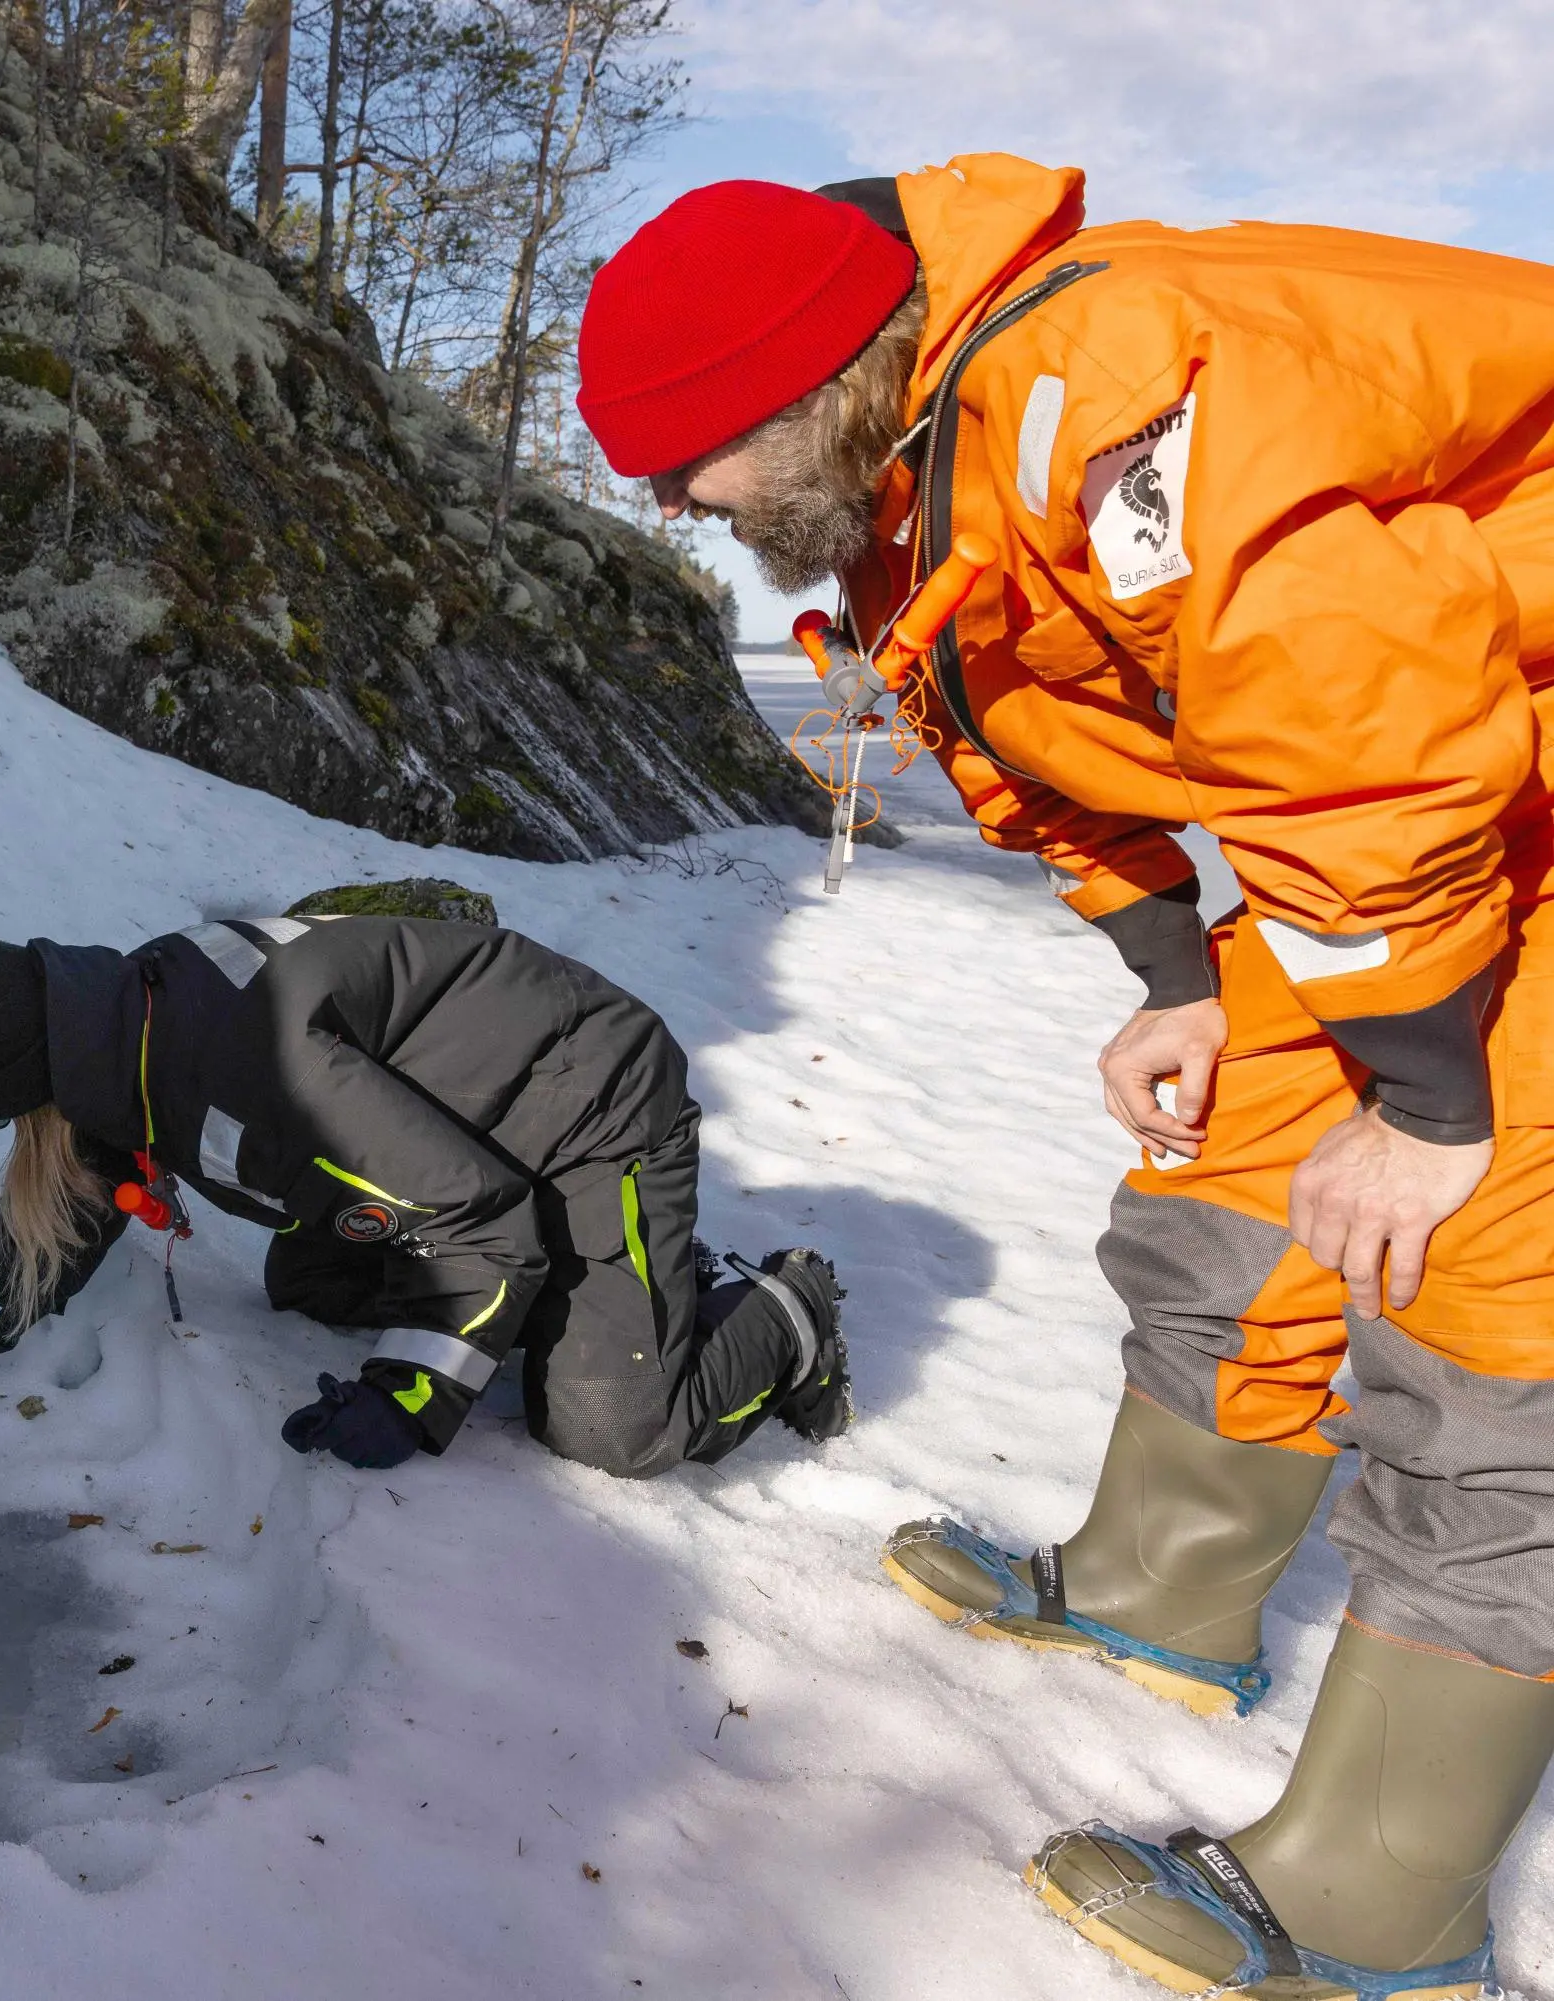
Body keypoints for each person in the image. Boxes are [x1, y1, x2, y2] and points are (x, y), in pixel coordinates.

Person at [573, 159, 1554, 1998]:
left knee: (1489, 1308)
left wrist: (1427, 1101)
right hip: (1422, 790)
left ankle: (1380, 1893)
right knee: (1224, 1176)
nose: (667, 503)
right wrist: (1178, 974)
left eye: (686, 457)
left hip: (1469, 779)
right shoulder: (908, 478)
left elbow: (1360, 726)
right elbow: (1023, 736)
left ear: (809, 384)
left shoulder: (1124, 399)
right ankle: (1168, 1585)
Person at [0, 918, 847, 1479]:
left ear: (46, 1083)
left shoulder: (252, 1075)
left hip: (596, 1111)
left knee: (616, 1428)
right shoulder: (125, 1019)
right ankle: (613, 1281)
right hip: (475, 1134)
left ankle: (783, 1311)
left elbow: (483, 1226)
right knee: (315, 1280)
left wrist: (407, 1397)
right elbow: (67, 1196)